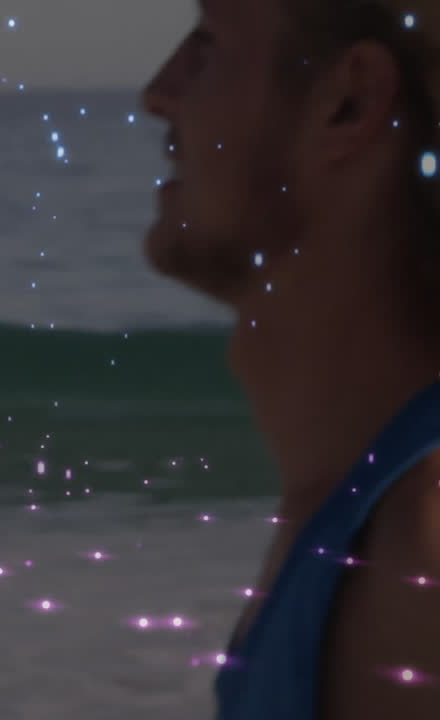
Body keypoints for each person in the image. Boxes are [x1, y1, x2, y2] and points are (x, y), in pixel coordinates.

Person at [143, 1, 440, 718]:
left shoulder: (419, 554)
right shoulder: (360, 511)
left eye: (208, 45)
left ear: (350, 102)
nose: (158, 92)